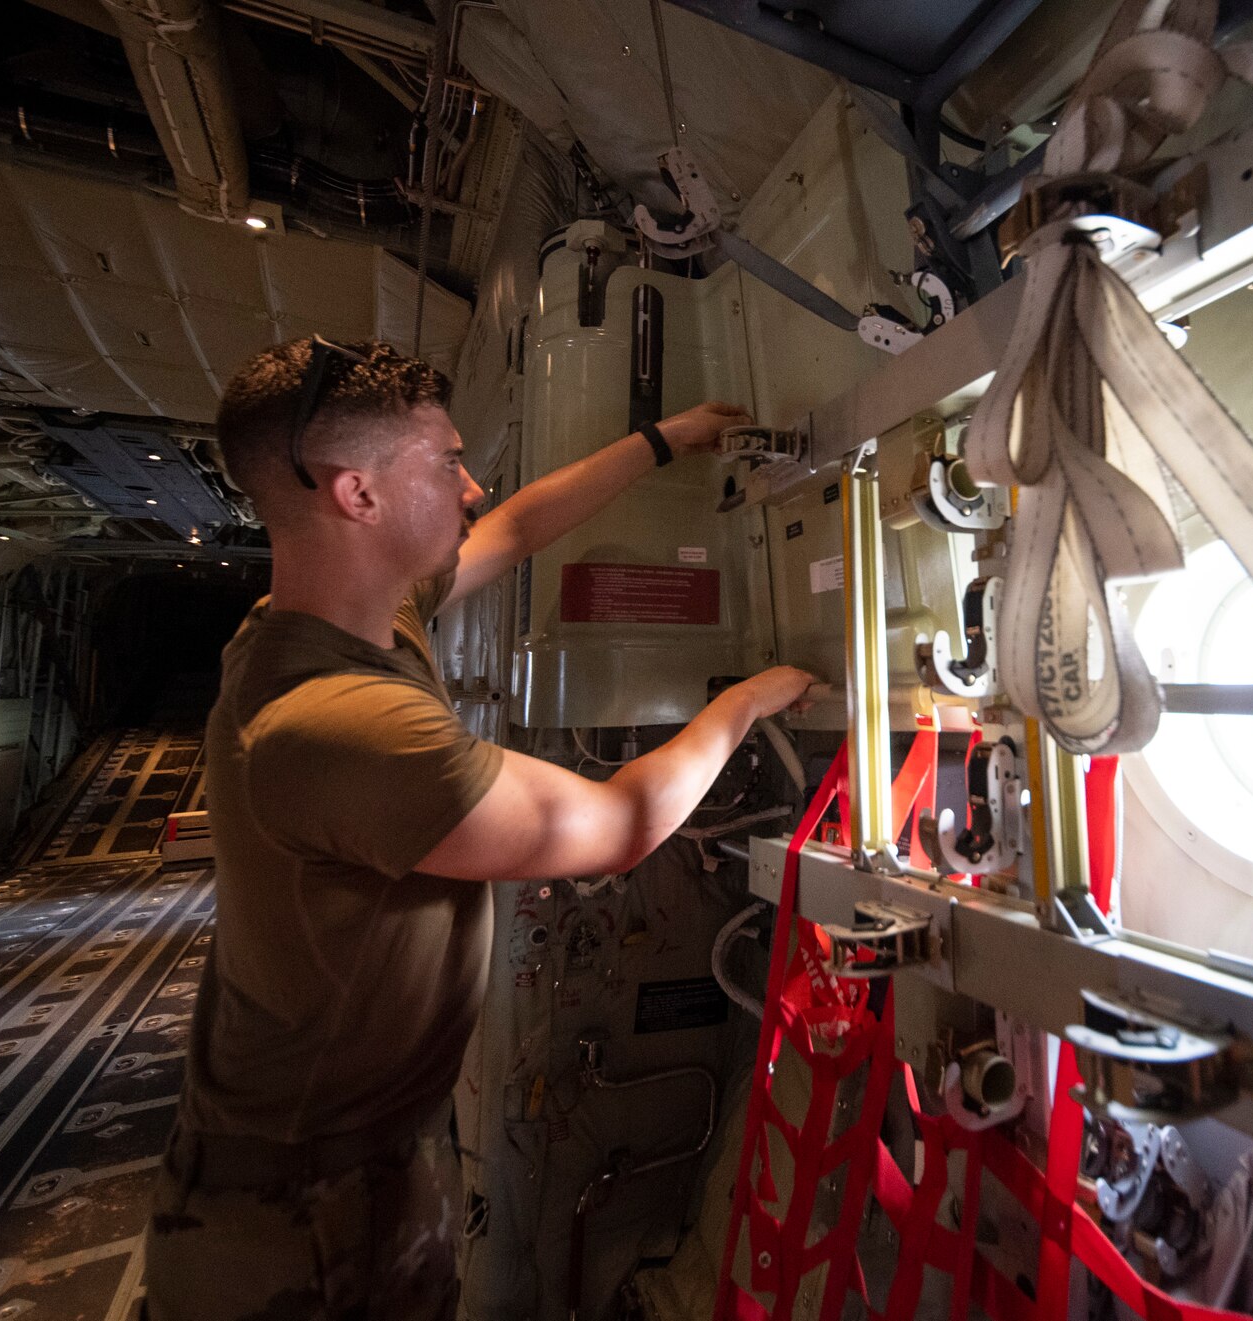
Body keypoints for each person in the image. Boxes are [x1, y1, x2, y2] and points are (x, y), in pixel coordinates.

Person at [143, 338, 813, 1320]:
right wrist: (750, 699)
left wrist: (667, 439)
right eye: (442, 463)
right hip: (294, 1233)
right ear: (357, 495)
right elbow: (623, 820)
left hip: (345, 1172)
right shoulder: (340, 722)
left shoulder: (339, 617)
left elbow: (516, 526)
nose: (470, 483)